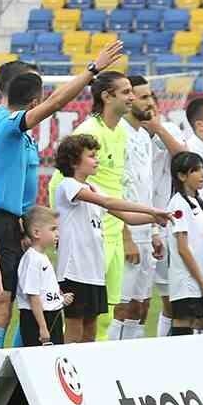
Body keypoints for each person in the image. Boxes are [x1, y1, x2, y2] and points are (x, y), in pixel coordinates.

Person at [0, 41, 123, 372]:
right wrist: (93, 68)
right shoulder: (5, 123)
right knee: (2, 303)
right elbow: (59, 101)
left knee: (30, 301)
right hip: (0, 222)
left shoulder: (16, 128)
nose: (44, 98)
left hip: (18, 223)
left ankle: (19, 378)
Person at [55, 133, 170, 343]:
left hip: (94, 272)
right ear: (73, 161)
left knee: (90, 329)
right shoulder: (68, 185)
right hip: (74, 271)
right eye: (91, 155)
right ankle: (64, 373)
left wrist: (155, 217)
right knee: (74, 329)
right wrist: (151, 209)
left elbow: (128, 218)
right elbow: (108, 202)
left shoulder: (94, 188)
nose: (96, 159)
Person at [113, 74, 186, 340]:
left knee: (141, 306)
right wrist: (126, 236)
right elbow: (115, 190)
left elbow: (145, 191)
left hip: (147, 230)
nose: (149, 102)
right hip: (128, 231)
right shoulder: (117, 135)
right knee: (123, 305)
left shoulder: (144, 136)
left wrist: (153, 230)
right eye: (143, 97)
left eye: (150, 96)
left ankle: (128, 366)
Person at [71, 70, 134, 340]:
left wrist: (124, 231)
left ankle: (89, 374)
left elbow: (115, 185)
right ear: (107, 97)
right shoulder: (87, 132)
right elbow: (60, 184)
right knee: (79, 316)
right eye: (126, 92)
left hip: (114, 232)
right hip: (90, 236)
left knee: (107, 314)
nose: (131, 97)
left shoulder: (121, 131)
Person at [165, 151, 203, 335]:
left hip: (202, 280)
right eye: (195, 170)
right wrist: (202, 281)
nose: (202, 173)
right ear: (181, 176)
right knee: (184, 328)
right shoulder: (178, 204)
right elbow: (183, 248)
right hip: (187, 282)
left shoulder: (197, 202)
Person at [16, 207, 68, 346]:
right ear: (36, 232)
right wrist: (43, 328)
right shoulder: (32, 260)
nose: (57, 233)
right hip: (38, 319)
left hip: (52, 315)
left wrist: (60, 299)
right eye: (53, 229)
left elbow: (45, 289)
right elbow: (33, 296)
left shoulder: (42, 257)